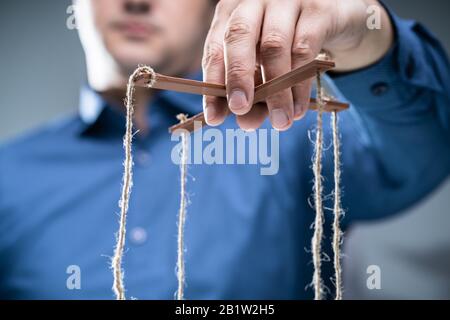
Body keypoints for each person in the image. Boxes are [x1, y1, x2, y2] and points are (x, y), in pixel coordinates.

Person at [0, 0, 448, 299]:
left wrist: (366, 34)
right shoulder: (9, 175)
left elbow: (423, 150)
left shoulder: (292, 133)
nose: (138, 1)